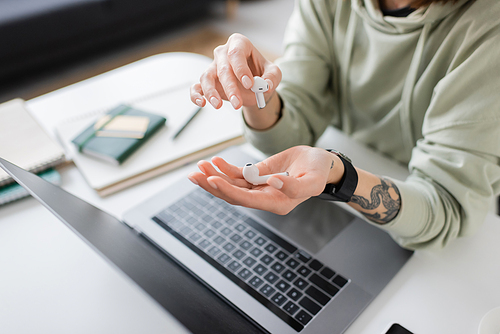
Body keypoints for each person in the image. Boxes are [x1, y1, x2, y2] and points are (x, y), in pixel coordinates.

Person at [188, 0, 500, 250]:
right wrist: (260, 100)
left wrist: (340, 175)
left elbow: (443, 206)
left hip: (431, 239)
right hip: (333, 202)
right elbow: (287, 143)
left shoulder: (489, 31)